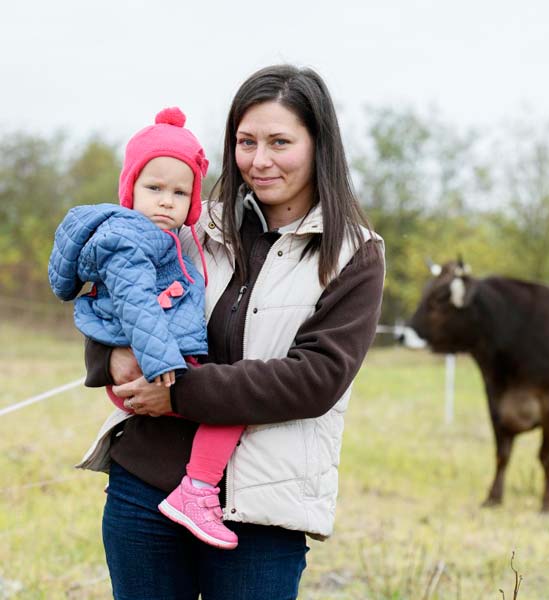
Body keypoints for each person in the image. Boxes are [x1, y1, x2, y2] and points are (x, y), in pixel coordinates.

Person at [78, 65, 384, 599]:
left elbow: (316, 379)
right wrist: (111, 355)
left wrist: (176, 393)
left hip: (259, 511)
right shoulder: (193, 223)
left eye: (280, 142)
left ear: (319, 146)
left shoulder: (352, 254)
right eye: (246, 142)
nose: (259, 160)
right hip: (145, 487)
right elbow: (111, 288)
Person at [49, 108, 246, 550]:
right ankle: (197, 491)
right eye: (153, 188)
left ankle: (195, 488)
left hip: (154, 360)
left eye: (179, 192)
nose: (165, 201)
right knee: (231, 409)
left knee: (228, 401)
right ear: (130, 189)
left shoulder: (161, 238)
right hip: (150, 367)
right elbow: (136, 304)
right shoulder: (131, 239)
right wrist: (161, 362)